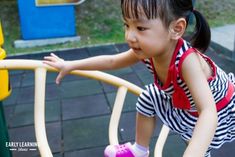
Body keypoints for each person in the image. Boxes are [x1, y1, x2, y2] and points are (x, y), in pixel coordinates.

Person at [43, 0, 235, 157]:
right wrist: (70, 65)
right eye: (127, 25)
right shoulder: (148, 49)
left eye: (141, 28)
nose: (130, 36)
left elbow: (208, 112)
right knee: (149, 96)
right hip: (183, 101)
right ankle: (139, 150)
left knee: (198, 141)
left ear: (176, 29)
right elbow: (111, 61)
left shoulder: (187, 62)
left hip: (216, 107)